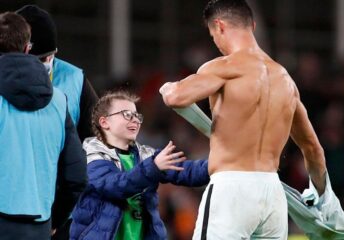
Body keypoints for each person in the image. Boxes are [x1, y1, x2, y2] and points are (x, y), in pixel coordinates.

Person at [159, 0, 326, 239]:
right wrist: (322, 197)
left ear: (219, 26)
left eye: (212, 35)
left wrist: (167, 89)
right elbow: (313, 149)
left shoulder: (224, 67)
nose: (215, 42)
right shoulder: (286, 81)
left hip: (232, 188)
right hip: (273, 194)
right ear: (253, 25)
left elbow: (176, 98)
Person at [69, 90, 209, 240]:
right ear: (104, 122)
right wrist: (153, 167)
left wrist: (220, 164)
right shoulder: (91, 155)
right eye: (127, 115)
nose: (135, 120)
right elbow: (116, 186)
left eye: (137, 115)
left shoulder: (145, 155)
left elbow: (187, 171)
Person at [0, 12, 87, 239]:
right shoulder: (59, 100)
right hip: (39, 223)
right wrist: (54, 220)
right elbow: (76, 176)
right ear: (27, 48)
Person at [16, 4, 99, 141]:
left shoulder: (75, 80)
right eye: (39, 59)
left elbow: (99, 141)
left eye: (50, 55)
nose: (48, 61)